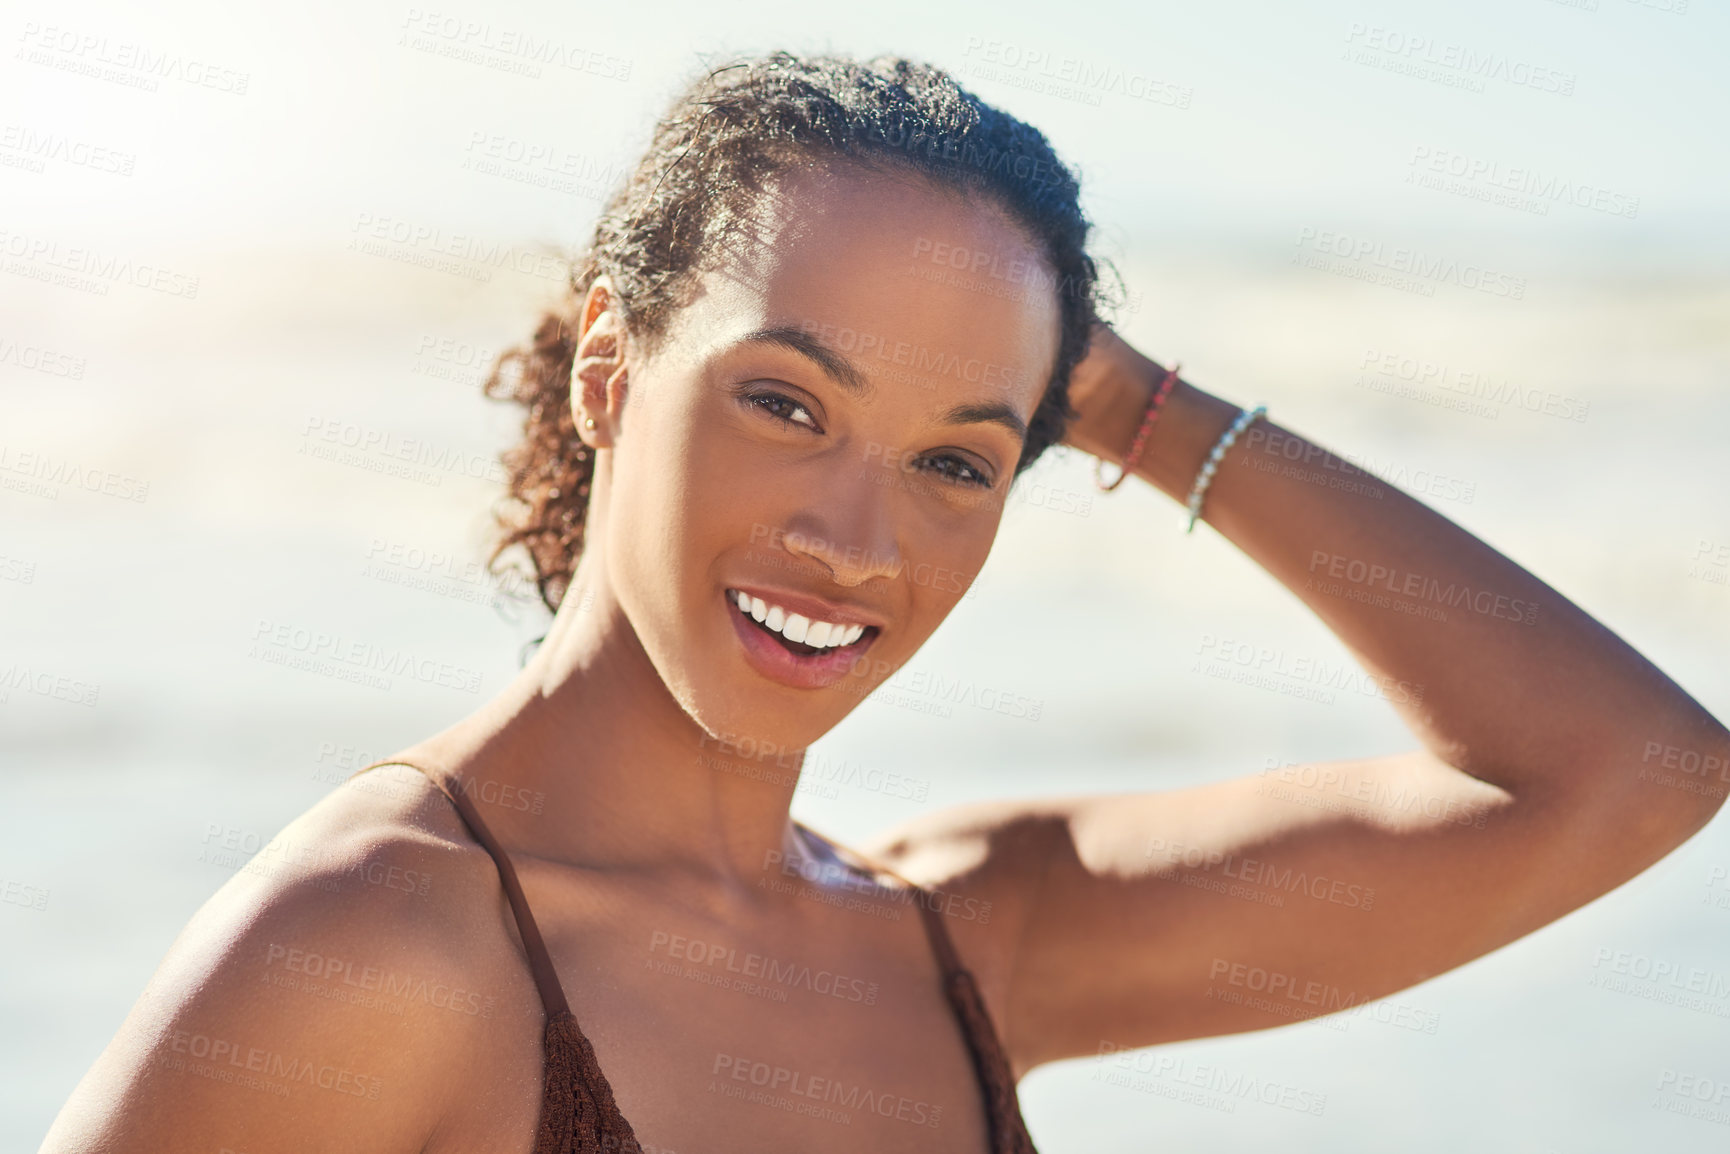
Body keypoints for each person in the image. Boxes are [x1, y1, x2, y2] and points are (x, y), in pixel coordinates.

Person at [40, 52, 1730, 1154]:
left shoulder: (970, 941)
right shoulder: (375, 943)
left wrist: (1136, 409)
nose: (856, 543)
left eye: (955, 459)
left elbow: (1629, 773)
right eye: (787, 404)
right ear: (613, 374)